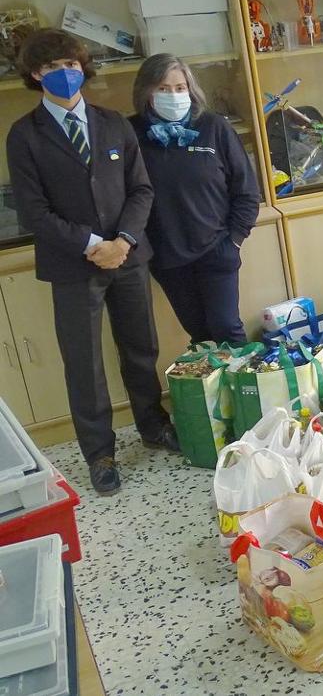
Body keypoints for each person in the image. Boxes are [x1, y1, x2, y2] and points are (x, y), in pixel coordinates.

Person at [6, 29, 177, 495]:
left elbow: (141, 189)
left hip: (127, 256)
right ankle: (100, 454)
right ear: (34, 75)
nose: (64, 74)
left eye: (70, 64)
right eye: (51, 68)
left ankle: (153, 426)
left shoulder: (113, 124)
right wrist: (89, 244)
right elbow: (33, 211)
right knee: (84, 364)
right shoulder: (25, 136)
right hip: (72, 265)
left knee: (140, 347)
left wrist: (122, 240)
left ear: (83, 67)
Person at [130, 54, 260, 345]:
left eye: (180, 87)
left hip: (217, 249)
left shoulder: (214, 127)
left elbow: (247, 192)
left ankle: (248, 388)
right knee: (200, 335)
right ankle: (213, 390)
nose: (173, 95)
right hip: (168, 258)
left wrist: (234, 240)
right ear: (146, 92)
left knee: (227, 328)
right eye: (163, 88)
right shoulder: (131, 135)